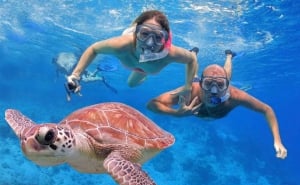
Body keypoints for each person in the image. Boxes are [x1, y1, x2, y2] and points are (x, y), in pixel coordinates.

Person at [147, 50, 287, 159]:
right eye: (208, 84)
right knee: (194, 76)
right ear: (201, 84)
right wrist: (176, 114)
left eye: (220, 85)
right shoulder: (190, 90)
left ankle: (229, 56)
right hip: (197, 83)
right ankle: (193, 54)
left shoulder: (235, 96)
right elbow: (152, 104)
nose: (214, 91)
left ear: (227, 87)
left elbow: (267, 110)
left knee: (225, 75)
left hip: (221, 87)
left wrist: (277, 141)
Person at [66, 10, 197, 100]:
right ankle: (144, 24)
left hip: (143, 68)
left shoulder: (170, 54)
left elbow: (192, 59)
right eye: (144, 34)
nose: (149, 43)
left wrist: (188, 86)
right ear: (136, 33)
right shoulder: (122, 45)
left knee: (131, 84)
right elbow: (93, 49)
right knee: (131, 84)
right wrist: (75, 75)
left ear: (165, 39)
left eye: (158, 37)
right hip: (139, 58)